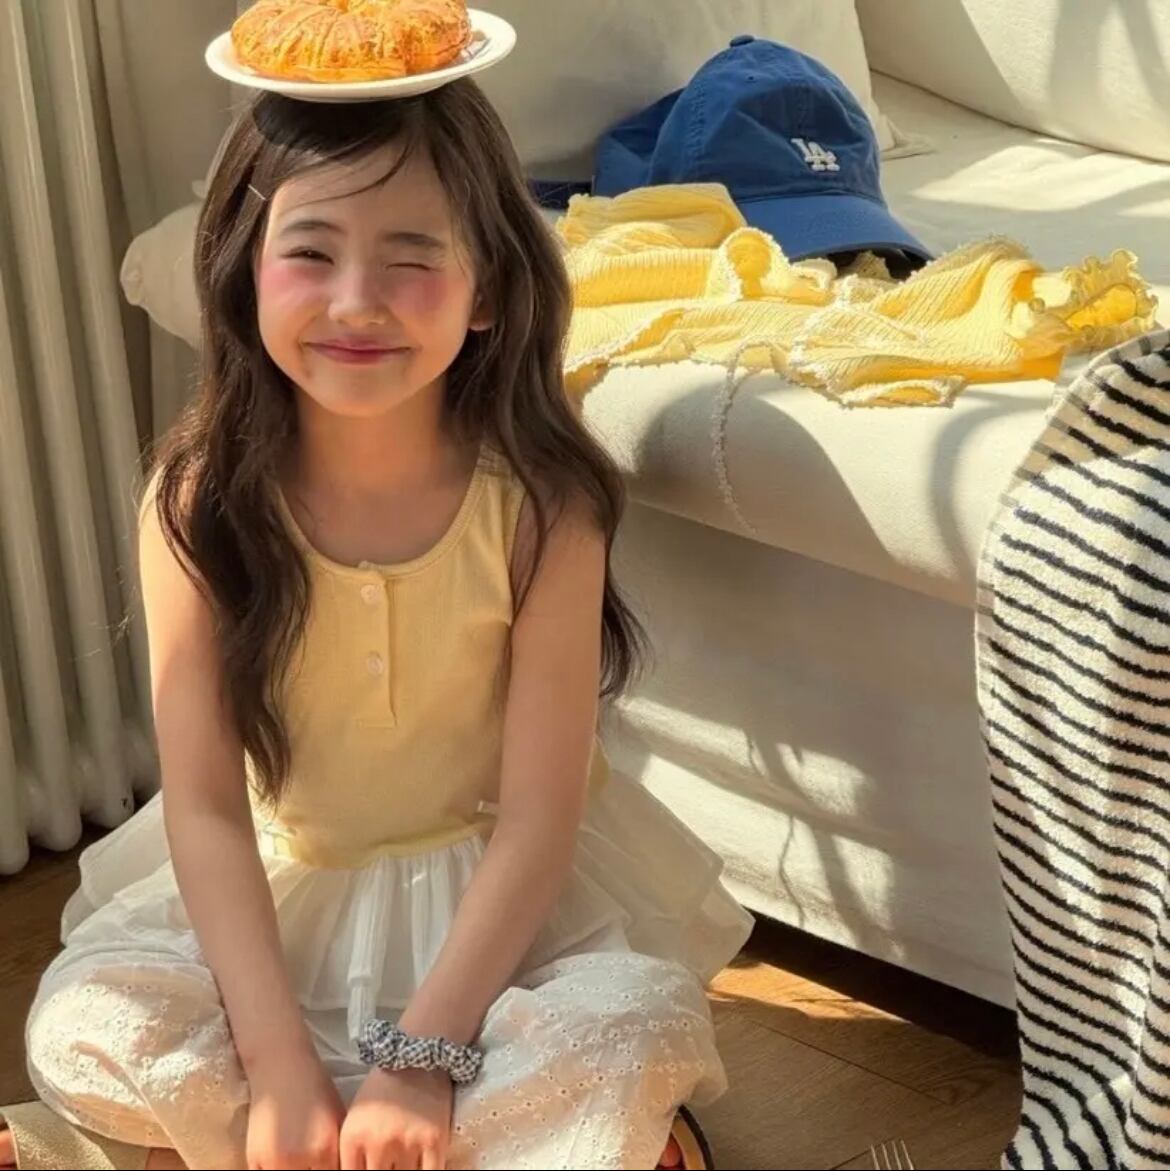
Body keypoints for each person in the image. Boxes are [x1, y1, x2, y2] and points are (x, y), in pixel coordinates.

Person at [0, 80, 751, 1171]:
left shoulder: (546, 506)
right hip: (266, 911)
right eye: (311, 252)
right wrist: (276, 1066)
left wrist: (421, 1058)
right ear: (245, 270)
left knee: (632, 1030)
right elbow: (205, 810)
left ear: (487, 289)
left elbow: (540, 820)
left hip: (500, 925)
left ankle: (235, 1148)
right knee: (84, 1025)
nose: (357, 302)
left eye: (410, 258)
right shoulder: (194, 504)